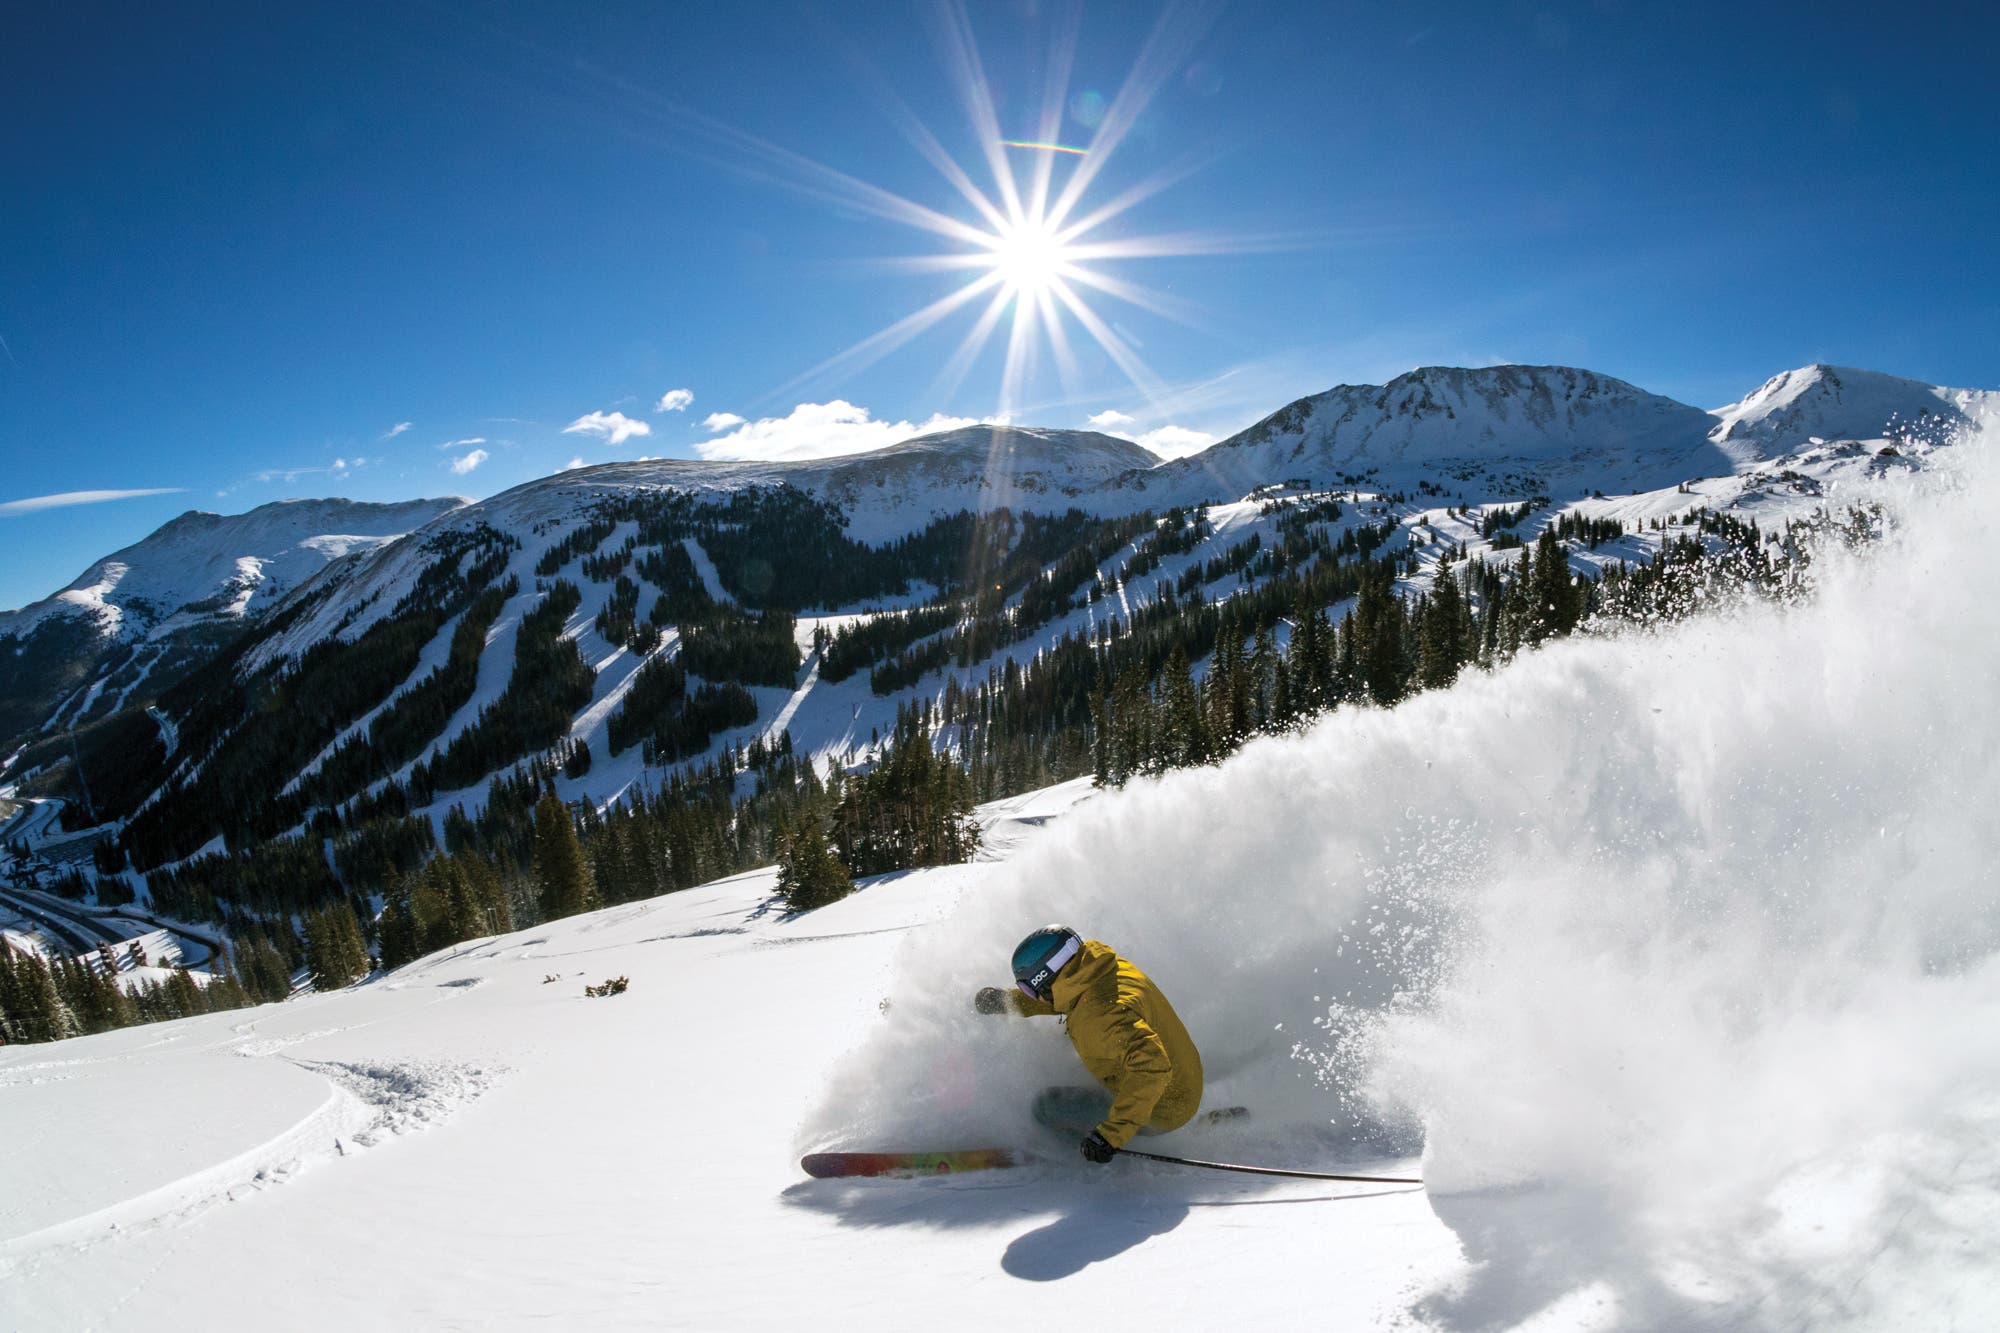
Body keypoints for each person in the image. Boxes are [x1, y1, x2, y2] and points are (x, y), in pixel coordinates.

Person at [976, 925, 1204, 1164]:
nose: (1032, 995)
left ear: (1045, 981)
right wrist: (1008, 1001)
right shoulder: (1099, 968)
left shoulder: (1101, 1016)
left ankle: (1073, 1155)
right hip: (1184, 1081)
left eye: (1029, 990)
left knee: (1046, 1108)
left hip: (1164, 1107)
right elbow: (1063, 995)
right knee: (1072, 1042)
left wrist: (1110, 1136)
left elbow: (1153, 1068)